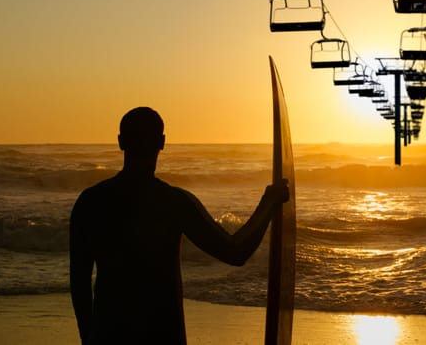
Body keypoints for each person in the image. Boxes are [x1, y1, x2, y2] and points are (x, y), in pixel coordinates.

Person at [69, 106, 289, 344]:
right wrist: (269, 203)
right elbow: (235, 252)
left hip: (108, 334)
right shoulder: (174, 203)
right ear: (162, 142)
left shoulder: (90, 202)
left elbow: (79, 283)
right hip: (162, 334)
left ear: (121, 142)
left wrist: (88, 339)